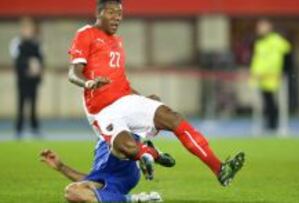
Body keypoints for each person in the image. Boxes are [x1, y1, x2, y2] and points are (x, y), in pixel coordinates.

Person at [68, 0, 244, 187]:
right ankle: (150, 153)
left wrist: (141, 100)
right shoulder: (86, 33)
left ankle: (220, 169)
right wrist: (89, 82)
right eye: (112, 12)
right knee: (126, 147)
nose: (117, 17)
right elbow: (73, 73)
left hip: (125, 99)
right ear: (99, 13)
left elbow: (119, 81)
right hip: (102, 110)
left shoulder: (117, 42)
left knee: (173, 118)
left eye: (119, 13)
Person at [40, 137, 175, 202]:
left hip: (119, 165)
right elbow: (92, 179)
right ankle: (138, 199)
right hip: (112, 178)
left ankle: (147, 153)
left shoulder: (112, 121)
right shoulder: (102, 136)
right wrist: (61, 167)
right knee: (72, 192)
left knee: (117, 142)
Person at [250, 19, 291, 131]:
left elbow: (287, 52)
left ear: (269, 27)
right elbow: (258, 60)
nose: (259, 29)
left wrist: (283, 71)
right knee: (266, 101)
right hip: (261, 77)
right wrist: (254, 73)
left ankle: (274, 124)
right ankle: (269, 123)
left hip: (272, 76)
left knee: (273, 101)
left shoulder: (276, 40)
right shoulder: (260, 42)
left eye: (262, 27)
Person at [9, 17, 44, 139]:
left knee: (33, 104)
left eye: (30, 29)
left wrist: (37, 69)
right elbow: (16, 60)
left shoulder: (37, 43)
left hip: (33, 80)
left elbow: (41, 59)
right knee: (21, 104)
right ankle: (18, 130)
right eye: (26, 29)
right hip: (22, 79)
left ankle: (34, 129)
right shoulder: (17, 43)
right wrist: (28, 65)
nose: (28, 31)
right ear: (22, 30)